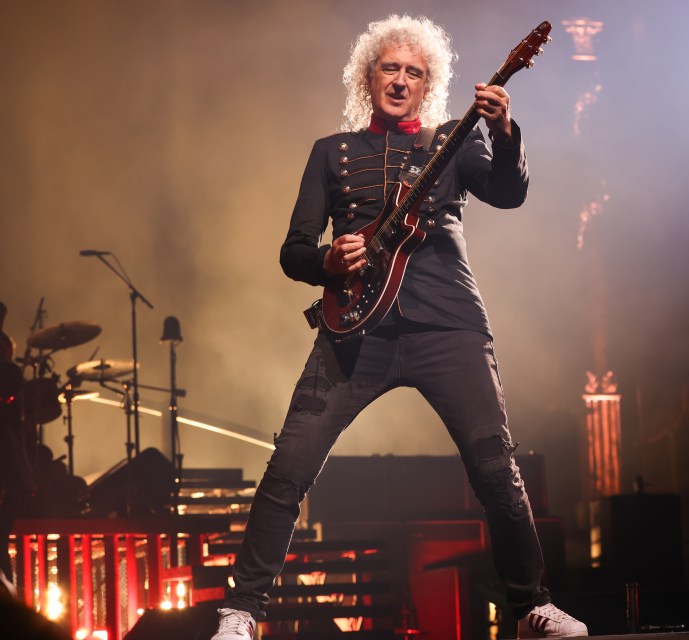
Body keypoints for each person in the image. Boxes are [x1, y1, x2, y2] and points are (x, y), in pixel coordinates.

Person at [212, 15, 587, 640]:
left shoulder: (453, 141)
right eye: (390, 68)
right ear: (369, 76)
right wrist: (328, 260)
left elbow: (509, 192)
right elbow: (293, 250)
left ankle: (532, 608)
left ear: (428, 84)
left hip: (448, 324)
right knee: (288, 468)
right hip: (355, 331)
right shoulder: (331, 152)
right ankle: (241, 611)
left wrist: (503, 128)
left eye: (414, 72)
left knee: (497, 469)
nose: (401, 80)